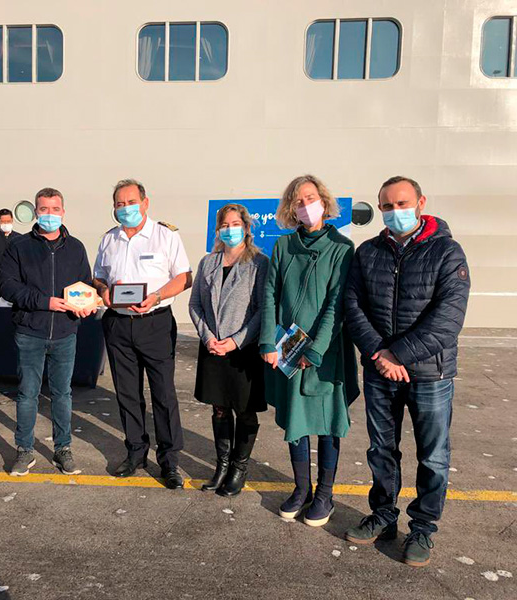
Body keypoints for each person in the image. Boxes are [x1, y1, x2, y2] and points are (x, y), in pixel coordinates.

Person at [344, 176, 470, 567]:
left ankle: (423, 528)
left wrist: (398, 354)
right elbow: (352, 305)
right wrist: (380, 353)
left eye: (401, 203)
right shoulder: (368, 253)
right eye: (386, 205)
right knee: (382, 449)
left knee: (432, 455)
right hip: (381, 371)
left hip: (430, 374)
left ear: (420, 203)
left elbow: (449, 317)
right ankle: (384, 515)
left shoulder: (447, 252)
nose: (394, 211)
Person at [259, 175, 359, 527]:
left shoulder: (341, 248)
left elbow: (336, 304)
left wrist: (314, 349)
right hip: (287, 347)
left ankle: (325, 494)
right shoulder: (283, 247)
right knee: (296, 422)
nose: (305, 205)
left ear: (324, 201)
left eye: (311, 198)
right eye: (298, 201)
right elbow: (269, 294)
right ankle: (301, 489)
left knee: (328, 423)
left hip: (325, 350)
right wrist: (269, 343)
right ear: (290, 208)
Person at [93, 179, 192, 489]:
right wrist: (104, 291)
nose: (126, 209)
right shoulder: (109, 239)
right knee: (127, 394)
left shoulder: (165, 236)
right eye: (119, 204)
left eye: (131, 202)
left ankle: (169, 460)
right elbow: (98, 278)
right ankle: (135, 452)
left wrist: (158, 297)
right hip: (118, 325)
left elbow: (184, 278)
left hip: (155, 323)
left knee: (163, 394)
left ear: (145, 203)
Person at [0, 188, 95, 476]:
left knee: (62, 393)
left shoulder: (76, 247)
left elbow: (85, 284)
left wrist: (85, 305)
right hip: (31, 331)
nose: (49, 214)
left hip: (65, 332)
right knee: (27, 394)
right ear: (34, 212)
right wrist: (44, 302)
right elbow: (7, 286)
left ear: (63, 211)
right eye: (43, 209)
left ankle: (62, 448)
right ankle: (24, 450)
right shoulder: (18, 247)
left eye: (54, 209)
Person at [189, 204, 269, 497]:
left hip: (242, 351)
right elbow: (195, 304)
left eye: (236, 223)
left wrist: (236, 340)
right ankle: (221, 465)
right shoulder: (207, 263)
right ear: (219, 229)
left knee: (245, 411)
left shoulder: (260, 263)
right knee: (219, 408)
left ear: (246, 227)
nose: (230, 229)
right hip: (212, 348)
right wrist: (208, 336)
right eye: (225, 224)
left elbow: (263, 309)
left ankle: (239, 468)